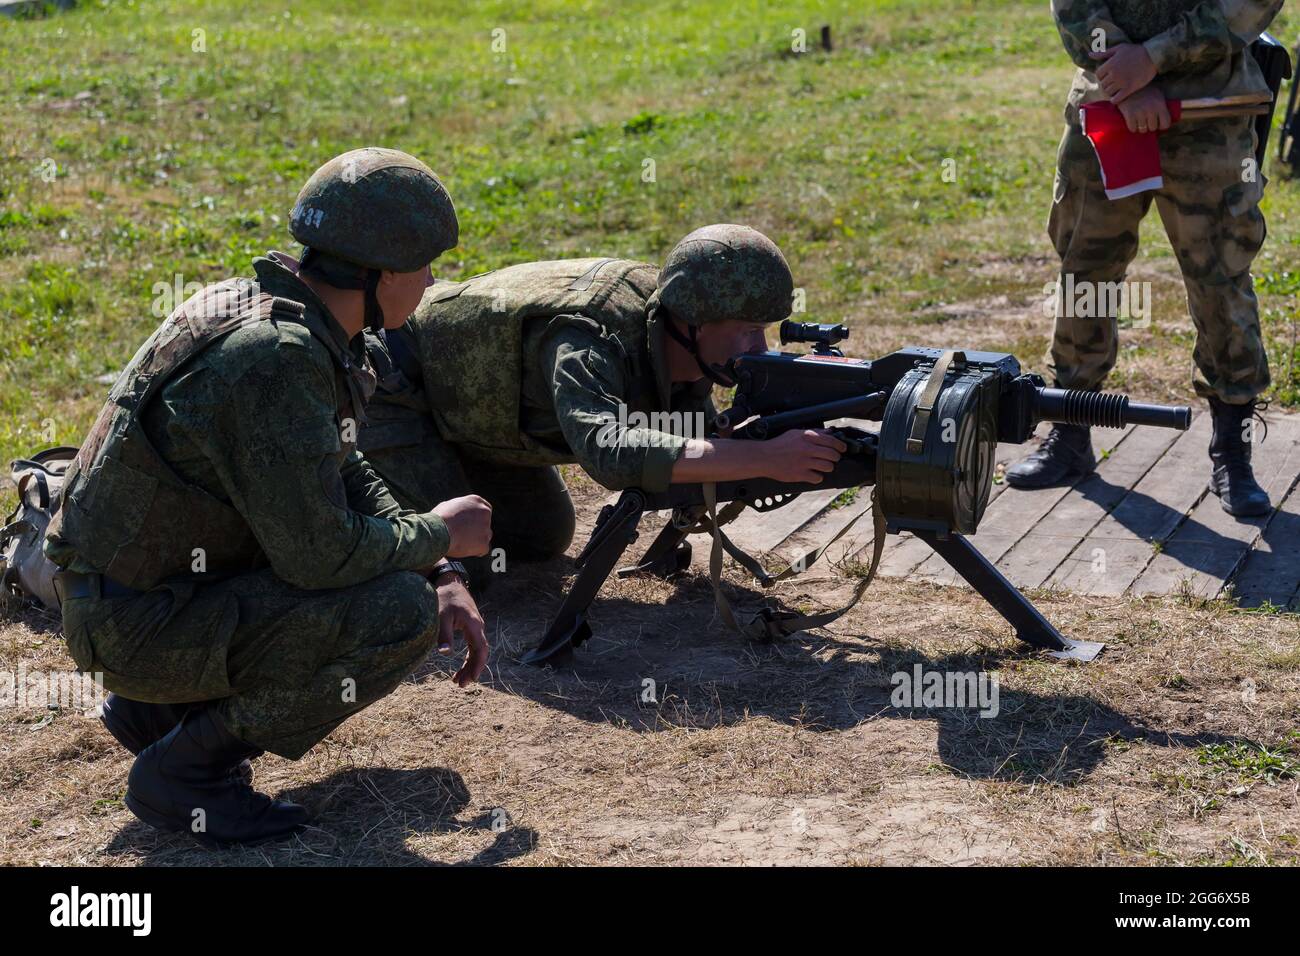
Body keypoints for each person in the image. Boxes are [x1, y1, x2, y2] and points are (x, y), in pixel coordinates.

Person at [44, 148, 493, 845]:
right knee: (396, 615)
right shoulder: (275, 358)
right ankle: (185, 776)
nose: (434, 279)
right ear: (380, 274)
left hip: (136, 599)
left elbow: (338, 469)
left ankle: (157, 716)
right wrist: (438, 537)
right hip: (133, 624)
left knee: (406, 584)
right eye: (426, 264)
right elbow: (320, 555)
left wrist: (441, 569)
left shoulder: (281, 317)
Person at [357, 224, 847, 585]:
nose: (757, 348)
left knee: (540, 538)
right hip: (395, 382)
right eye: (745, 330)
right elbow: (609, 450)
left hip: (473, 414)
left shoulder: (674, 331)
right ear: (695, 322)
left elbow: (687, 438)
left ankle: (433, 481)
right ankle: (350, 519)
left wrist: (743, 441)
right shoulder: (588, 334)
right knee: (470, 568)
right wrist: (767, 457)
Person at [1009, 1, 1281, 516]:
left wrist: (1154, 59)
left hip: (1212, 110)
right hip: (1107, 104)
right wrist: (1125, 77)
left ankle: (1233, 451)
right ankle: (1070, 428)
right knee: (1087, 267)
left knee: (1218, 275)